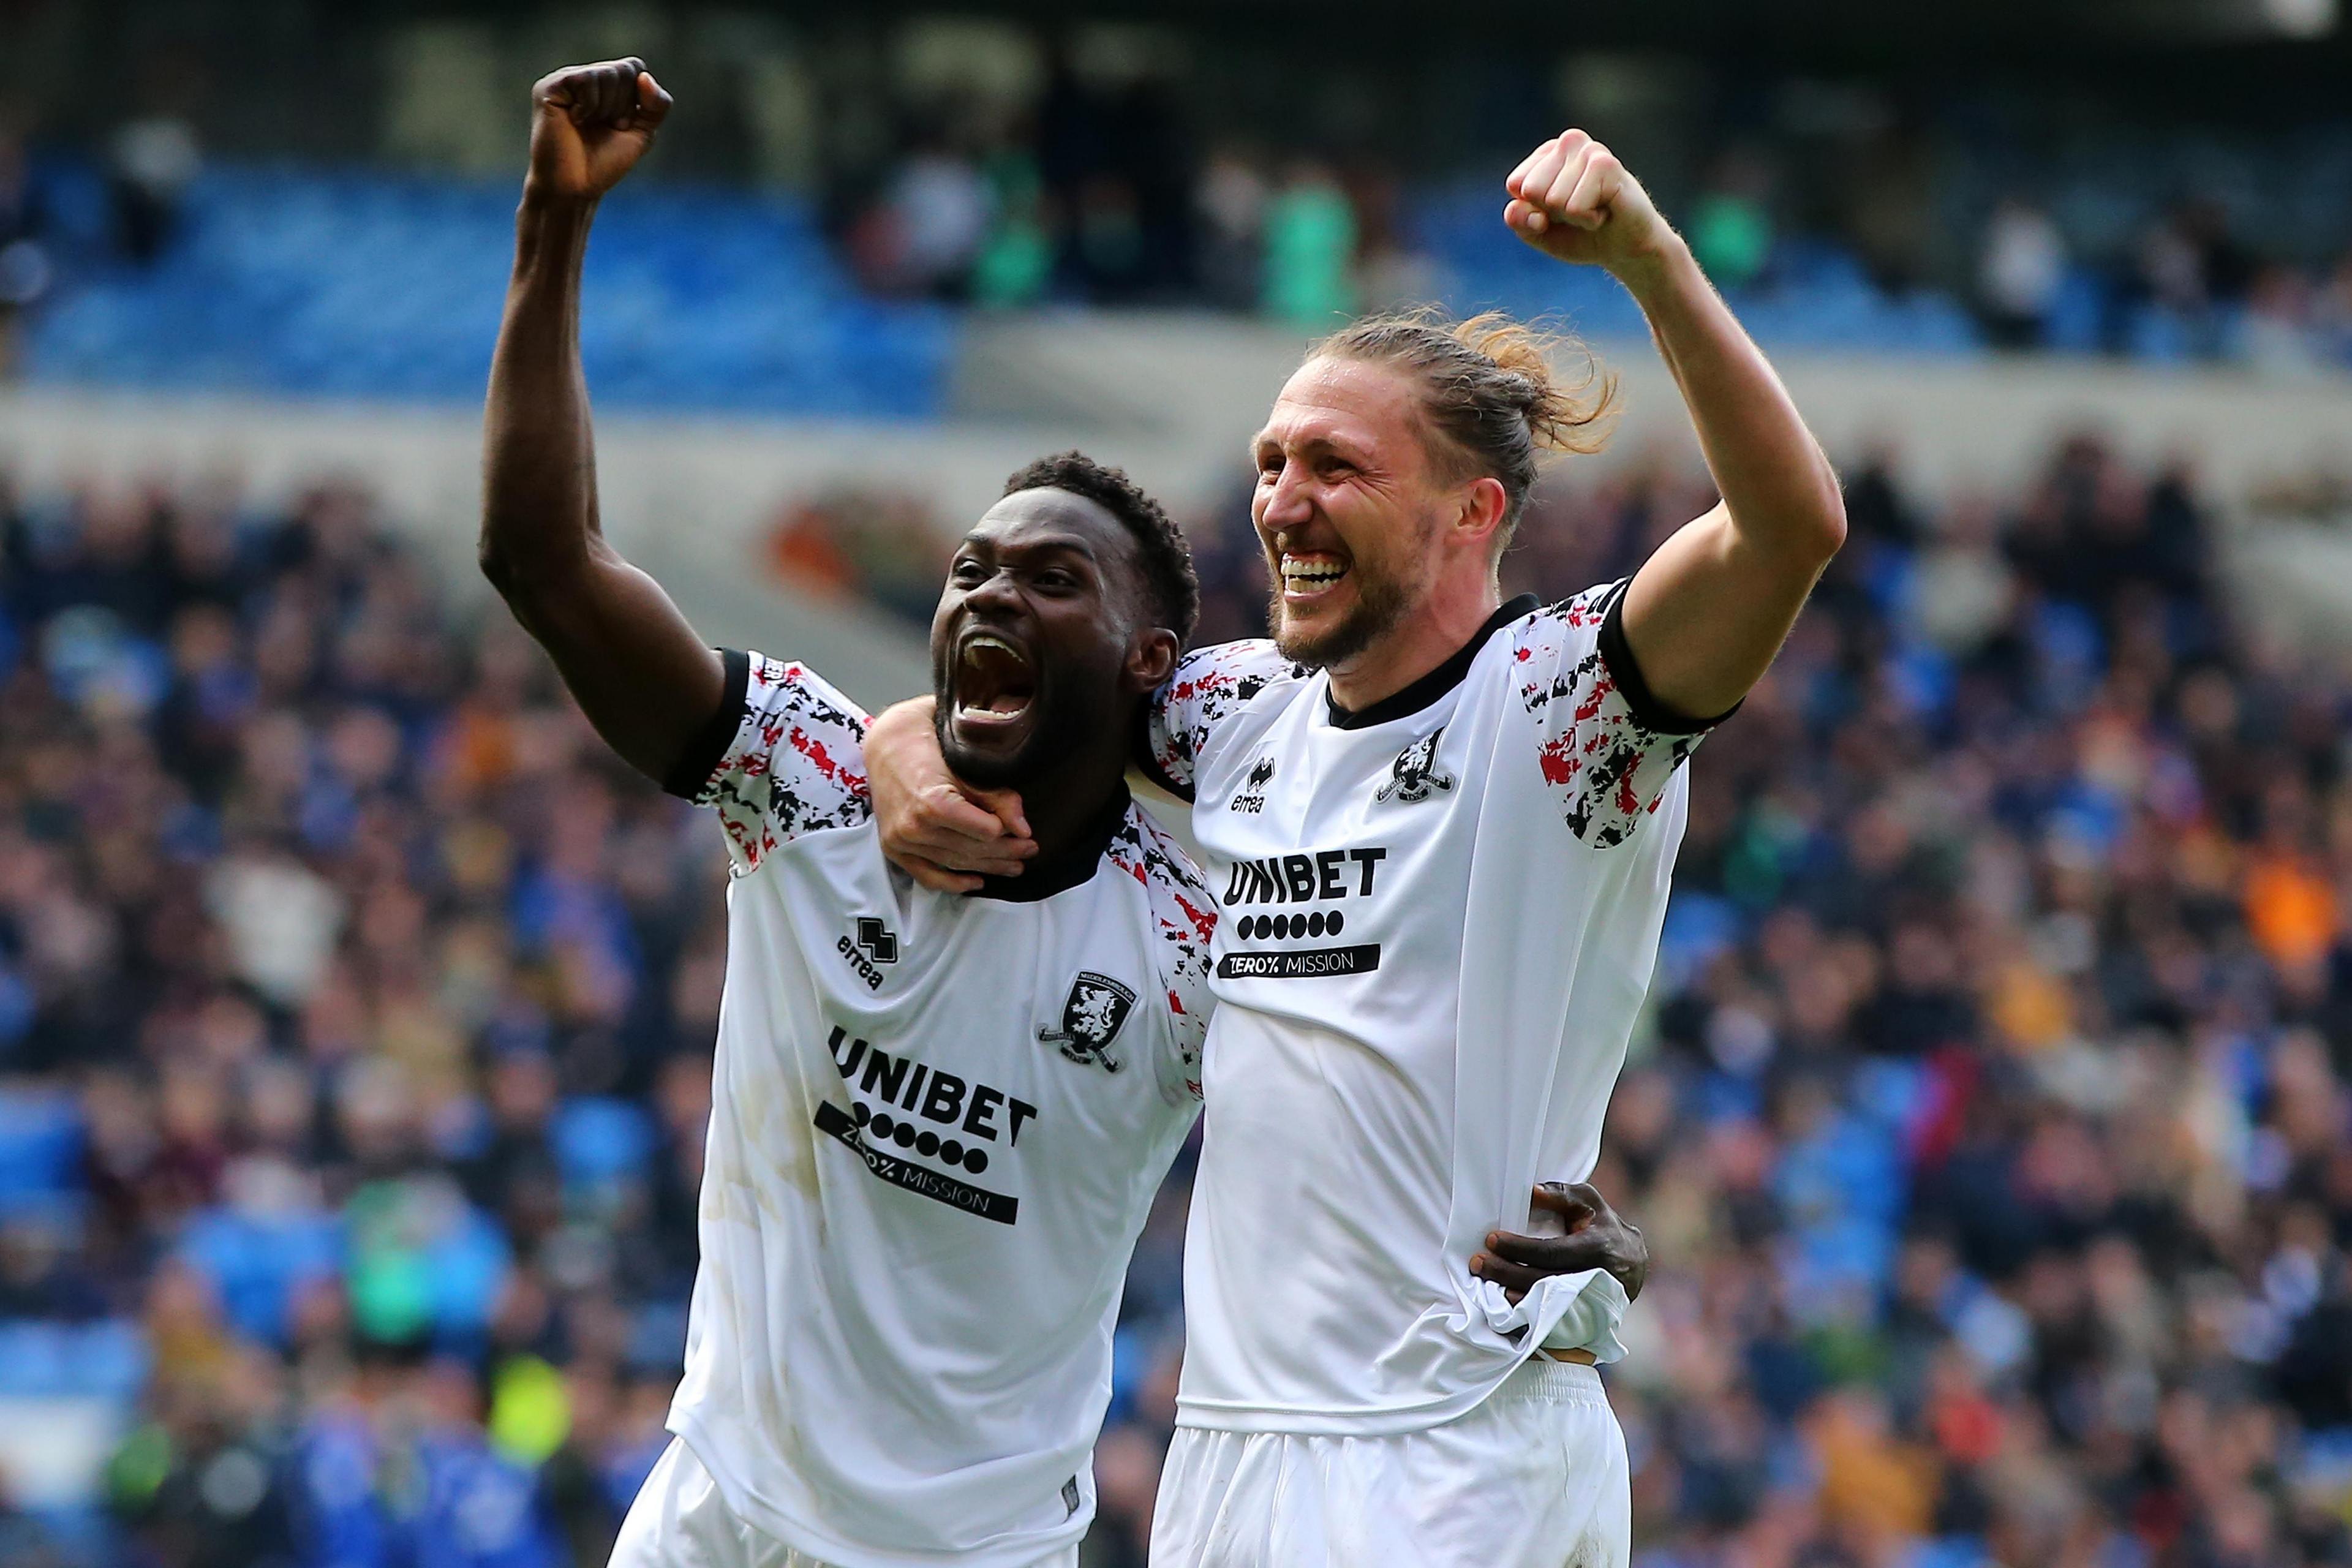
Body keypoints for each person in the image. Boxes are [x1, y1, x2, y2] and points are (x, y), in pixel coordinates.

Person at [479, 61, 1649, 1568]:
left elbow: (1389, 1124)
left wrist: (1586, 1278)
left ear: (1153, 664)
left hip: (984, 1549)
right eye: (971, 572)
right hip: (717, 1512)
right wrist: (552, 223)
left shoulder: (1204, 929)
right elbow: (542, 560)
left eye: (1051, 582)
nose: (989, 597)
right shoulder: (810, 781)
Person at [867, 127, 1847, 1566]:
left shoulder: (1560, 705)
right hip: (1235, 1440)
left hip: (1452, 1436)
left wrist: (1650, 257)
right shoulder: (1238, 711)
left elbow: (1789, 530)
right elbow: (998, 700)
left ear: (1474, 511)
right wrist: (900, 754)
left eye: (1335, 464)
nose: (1281, 499)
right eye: (1272, 461)